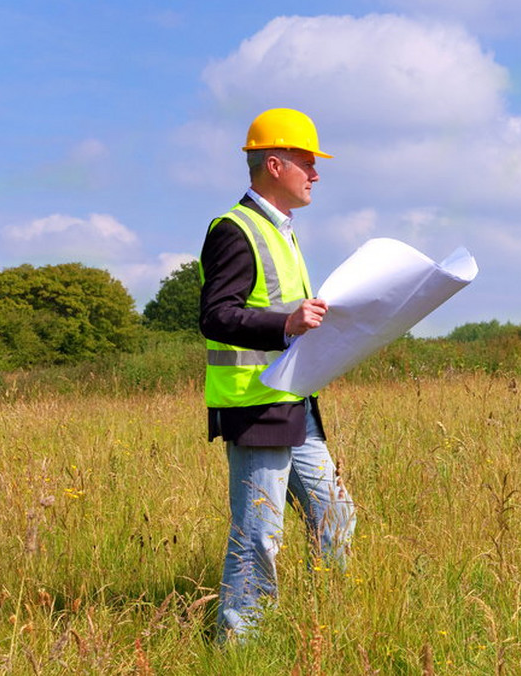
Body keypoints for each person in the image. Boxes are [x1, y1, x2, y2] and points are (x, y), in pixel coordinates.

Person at [198, 107, 355, 640]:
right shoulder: (234, 229)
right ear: (273, 164)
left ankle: (328, 629)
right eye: (306, 162)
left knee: (336, 517)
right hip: (255, 405)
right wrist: (285, 322)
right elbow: (215, 315)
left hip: (296, 404)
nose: (316, 174)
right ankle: (240, 647)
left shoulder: (282, 231)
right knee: (258, 535)